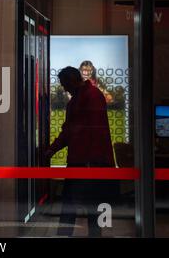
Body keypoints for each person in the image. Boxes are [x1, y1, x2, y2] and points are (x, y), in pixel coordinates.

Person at [45, 66, 117, 237]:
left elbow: (74, 131)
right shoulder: (89, 96)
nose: (64, 88)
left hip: (87, 162)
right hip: (89, 161)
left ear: (72, 80)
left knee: (71, 206)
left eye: (64, 83)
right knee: (88, 207)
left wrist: (52, 149)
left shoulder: (86, 98)